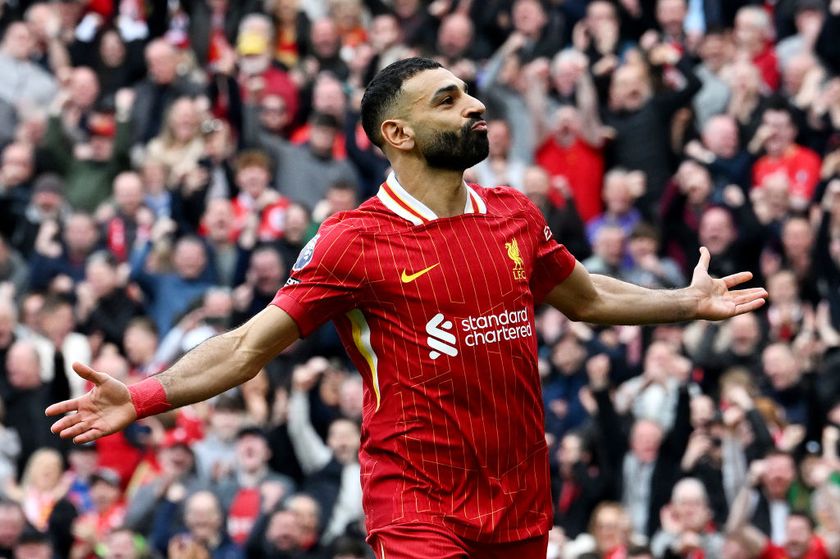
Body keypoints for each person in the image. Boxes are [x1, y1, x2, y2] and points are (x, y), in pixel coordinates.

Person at [47, 58, 768, 559]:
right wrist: (143, 395)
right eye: (448, 100)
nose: (475, 105)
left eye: (468, 94)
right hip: (416, 495)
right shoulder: (353, 240)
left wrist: (684, 300)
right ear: (397, 133)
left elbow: (586, 296)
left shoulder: (515, 213)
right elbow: (247, 346)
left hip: (519, 492)